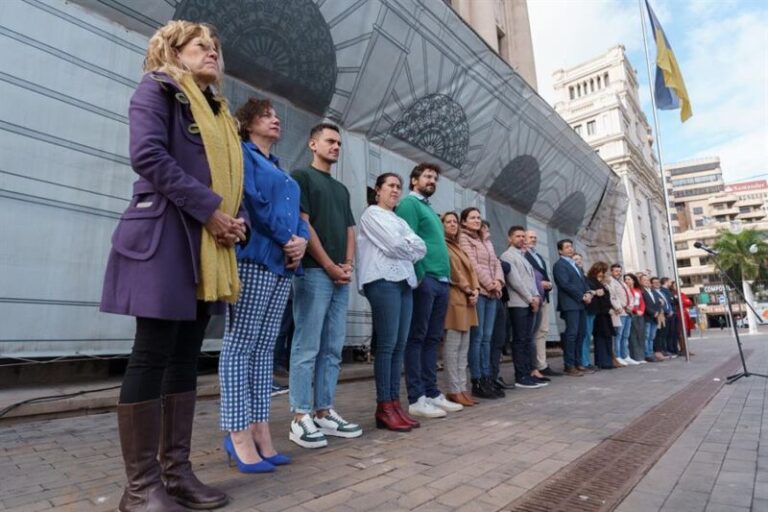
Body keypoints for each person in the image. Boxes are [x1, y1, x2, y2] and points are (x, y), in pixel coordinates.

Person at [100, 21, 245, 511]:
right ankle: (140, 488)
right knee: (152, 353)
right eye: (201, 45)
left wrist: (234, 218)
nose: (212, 52)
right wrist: (210, 209)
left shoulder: (219, 111)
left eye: (215, 47)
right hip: (166, 234)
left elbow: (230, 177)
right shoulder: (156, 89)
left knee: (185, 357)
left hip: (207, 241)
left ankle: (176, 474)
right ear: (173, 51)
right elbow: (148, 156)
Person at [217, 98, 308, 473]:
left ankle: (261, 431)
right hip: (256, 256)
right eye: (267, 115)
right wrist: (289, 237)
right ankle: (237, 433)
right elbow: (252, 201)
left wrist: (300, 240)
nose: (275, 121)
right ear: (248, 122)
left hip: (284, 263)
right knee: (240, 344)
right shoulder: (244, 155)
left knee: (264, 349)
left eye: (276, 117)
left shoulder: (280, 167)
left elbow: (300, 216)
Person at [288, 123, 361, 448]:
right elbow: (304, 225)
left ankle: (324, 410)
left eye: (339, 143)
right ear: (313, 143)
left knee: (333, 348)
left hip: (338, 276)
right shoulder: (301, 177)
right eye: (330, 141)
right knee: (307, 346)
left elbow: (349, 229)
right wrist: (330, 266)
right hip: (315, 273)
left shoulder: (341, 189)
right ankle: (300, 415)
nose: (336, 147)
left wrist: (347, 265)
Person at [357, 173, 427, 431]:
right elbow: (393, 246)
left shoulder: (398, 219)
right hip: (382, 279)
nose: (396, 191)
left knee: (399, 344)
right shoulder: (372, 214)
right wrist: (408, 246)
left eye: (398, 187)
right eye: (390, 186)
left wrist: (407, 246)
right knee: (387, 345)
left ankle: (395, 403)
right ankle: (384, 405)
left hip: (404, 281)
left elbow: (421, 248)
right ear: (378, 190)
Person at [396, 163, 461, 417]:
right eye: (427, 176)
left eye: (435, 178)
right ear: (414, 180)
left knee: (433, 338)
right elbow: (406, 238)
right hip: (426, 279)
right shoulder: (409, 205)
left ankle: (432, 393)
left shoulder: (430, 210)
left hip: (442, 281)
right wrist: (420, 275)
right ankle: (416, 397)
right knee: (417, 337)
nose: (432, 180)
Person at [459, 209, 505, 398]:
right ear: (464, 221)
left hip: (492, 293)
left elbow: (496, 263)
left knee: (487, 338)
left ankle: (487, 377)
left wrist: (499, 282)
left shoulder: (485, 240)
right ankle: (477, 380)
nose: (477, 220)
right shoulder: (464, 238)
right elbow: (472, 264)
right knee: (477, 339)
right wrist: (489, 284)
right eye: (472, 218)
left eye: (478, 217)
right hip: (480, 291)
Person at [442, 211, 480, 406]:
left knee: (463, 348)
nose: (452, 224)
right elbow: (454, 272)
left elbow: (472, 271)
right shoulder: (445, 246)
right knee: (452, 347)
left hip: (467, 300)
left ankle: (462, 388)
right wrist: (468, 289)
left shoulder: (458, 246)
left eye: (455, 222)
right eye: (448, 222)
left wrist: (476, 290)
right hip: (455, 298)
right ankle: (453, 389)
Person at [500, 226, 546, 388]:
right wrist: (530, 298)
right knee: (519, 340)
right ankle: (521, 376)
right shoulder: (507, 255)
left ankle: (528, 373)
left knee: (527, 339)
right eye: (517, 236)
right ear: (510, 239)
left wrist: (536, 298)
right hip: (518, 303)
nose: (521, 239)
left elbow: (532, 281)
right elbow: (515, 281)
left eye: (522, 236)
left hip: (529, 302)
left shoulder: (523, 256)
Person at [552, 240, 593, 376]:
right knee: (572, 334)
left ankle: (578, 362)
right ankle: (569, 365)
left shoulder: (575, 265)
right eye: (567, 247)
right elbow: (565, 284)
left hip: (581, 304)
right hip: (570, 304)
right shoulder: (560, 265)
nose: (570, 249)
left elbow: (583, 282)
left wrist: (588, 293)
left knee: (581, 333)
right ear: (560, 251)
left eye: (571, 246)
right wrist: (582, 295)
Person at [524, 230, 560, 377]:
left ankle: (542, 364)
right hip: (531, 298)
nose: (533, 240)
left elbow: (542, 274)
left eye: (535, 237)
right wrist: (540, 283)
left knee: (543, 331)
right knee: (532, 333)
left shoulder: (538, 256)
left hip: (543, 297)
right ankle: (534, 366)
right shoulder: (523, 255)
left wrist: (548, 284)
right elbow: (524, 276)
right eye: (530, 237)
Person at [606, 264, 638, 365]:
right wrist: (621, 307)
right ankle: (618, 356)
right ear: (611, 271)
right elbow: (613, 296)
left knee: (626, 335)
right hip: (620, 311)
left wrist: (631, 306)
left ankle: (625, 355)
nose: (618, 273)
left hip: (628, 312)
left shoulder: (622, 283)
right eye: (616, 271)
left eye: (619, 271)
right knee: (618, 335)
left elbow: (630, 296)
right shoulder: (610, 281)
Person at [585, 262, 615, 370]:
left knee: (607, 336)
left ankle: (608, 360)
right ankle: (602, 361)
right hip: (599, 312)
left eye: (603, 271)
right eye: (600, 271)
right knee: (600, 337)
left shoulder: (602, 283)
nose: (602, 273)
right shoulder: (590, 281)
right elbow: (597, 297)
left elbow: (607, 298)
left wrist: (610, 308)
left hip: (605, 313)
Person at [625, 273, 648, 364]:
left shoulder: (637, 290)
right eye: (626, 279)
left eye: (629, 279)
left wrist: (641, 311)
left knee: (641, 335)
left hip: (640, 314)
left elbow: (642, 302)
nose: (627, 281)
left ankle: (641, 356)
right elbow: (628, 303)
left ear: (633, 280)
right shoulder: (626, 290)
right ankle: (635, 357)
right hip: (632, 313)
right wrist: (635, 311)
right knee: (633, 336)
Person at [640, 274, 662, 362]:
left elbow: (659, 303)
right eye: (644, 280)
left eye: (648, 280)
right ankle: (647, 354)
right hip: (647, 317)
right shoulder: (641, 292)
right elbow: (644, 305)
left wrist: (658, 312)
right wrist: (653, 313)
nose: (647, 281)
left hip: (655, 317)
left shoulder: (652, 291)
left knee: (652, 336)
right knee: (647, 336)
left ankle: (651, 352)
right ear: (641, 282)